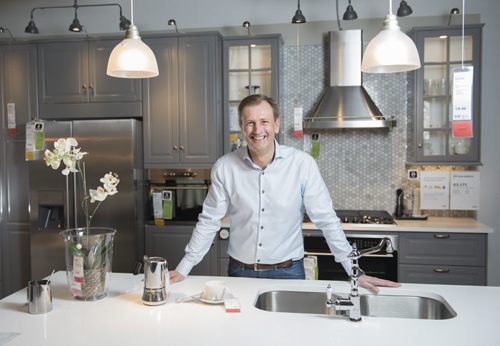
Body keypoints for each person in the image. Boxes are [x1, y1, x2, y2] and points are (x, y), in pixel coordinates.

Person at [169, 94, 400, 293]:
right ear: (241, 127)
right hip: (239, 272)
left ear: (276, 125)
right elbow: (209, 220)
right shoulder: (225, 167)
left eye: (264, 121)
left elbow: (327, 221)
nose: (258, 130)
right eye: (250, 123)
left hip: (288, 273)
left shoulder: (302, 164)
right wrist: (184, 267)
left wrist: (355, 271)